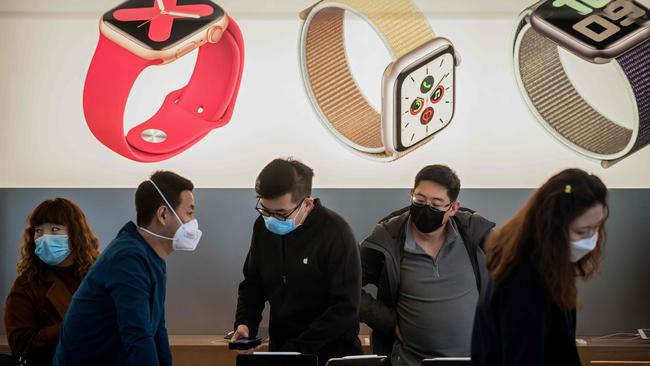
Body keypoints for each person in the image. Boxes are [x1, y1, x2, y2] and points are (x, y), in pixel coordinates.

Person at [54, 171, 202, 366]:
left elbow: (157, 330)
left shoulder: (151, 256)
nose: (193, 222)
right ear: (163, 214)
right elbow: (138, 337)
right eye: (189, 212)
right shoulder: (128, 258)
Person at [360, 165, 495, 366]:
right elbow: (346, 285)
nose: (426, 209)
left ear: (453, 208)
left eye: (436, 204)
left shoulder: (475, 234)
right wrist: (387, 321)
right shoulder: (387, 239)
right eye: (420, 200)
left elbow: (515, 278)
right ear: (411, 194)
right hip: (410, 361)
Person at [232, 158, 363, 365]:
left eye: (281, 213)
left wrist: (297, 350)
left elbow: (345, 308)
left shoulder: (336, 233)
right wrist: (245, 323)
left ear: (307, 203)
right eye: (266, 210)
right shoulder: (263, 226)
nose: (271, 219)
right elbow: (253, 284)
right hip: (282, 350)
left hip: (330, 353)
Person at [471, 168, 608, 366]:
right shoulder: (525, 279)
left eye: (597, 228)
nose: (591, 239)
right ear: (551, 228)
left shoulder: (550, 264)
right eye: (581, 231)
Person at [4, 198, 100, 366]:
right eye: (39, 231)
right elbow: (21, 346)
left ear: (75, 235)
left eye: (54, 229)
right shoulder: (26, 285)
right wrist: (72, 323)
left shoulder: (98, 277)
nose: (45, 237)